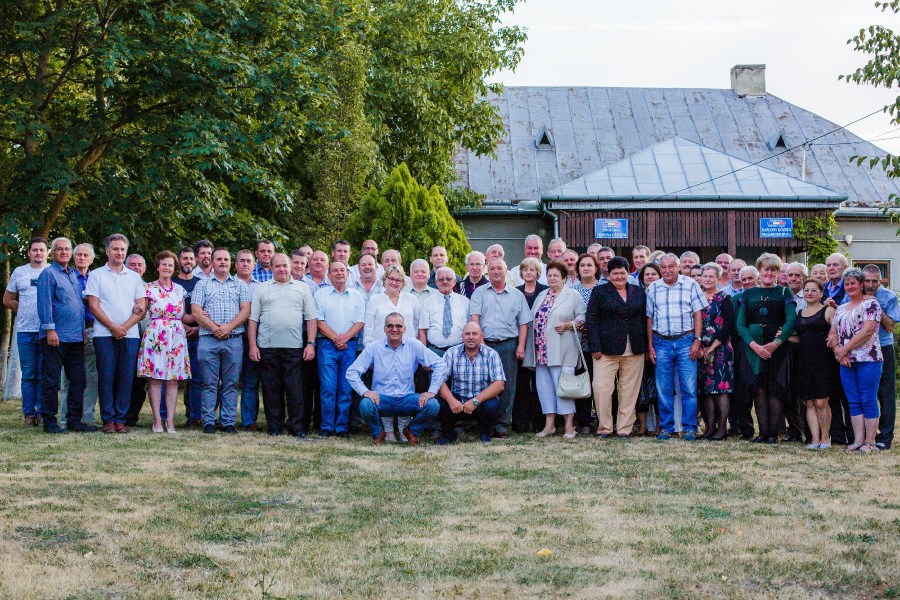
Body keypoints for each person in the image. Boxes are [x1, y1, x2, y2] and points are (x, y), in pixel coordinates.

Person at [347, 313, 447, 445]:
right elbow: (352, 372)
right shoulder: (374, 347)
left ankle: (411, 432)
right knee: (366, 404)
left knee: (432, 405)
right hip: (382, 399)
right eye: (390, 326)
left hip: (407, 399)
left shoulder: (414, 345)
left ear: (404, 329)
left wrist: (432, 391)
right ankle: (378, 434)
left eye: (398, 326)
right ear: (384, 329)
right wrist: (365, 391)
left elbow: (440, 364)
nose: (394, 329)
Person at [248, 253, 317, 437]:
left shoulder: (302, 288)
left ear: (290, 266)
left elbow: (311, 319)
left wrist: (310, 344)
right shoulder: (262, 288)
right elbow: (253, 320)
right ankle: (275, 426)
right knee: (271, 389)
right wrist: (253, 345)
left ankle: (296, 426)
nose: (282, 269)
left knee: (295, 389)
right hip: (267, 347)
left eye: (285, 265)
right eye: (277, 266)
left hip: (294, 347)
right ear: (271, 268)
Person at [86, 234, 147, 433]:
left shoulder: (134, 277)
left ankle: (121, 419)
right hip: (104, 334)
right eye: (115, 249)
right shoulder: (96, 275)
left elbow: (141, 307)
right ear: (107, 251)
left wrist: (124, 327)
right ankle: (108, 420)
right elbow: (94, 306)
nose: (119, 253)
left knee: (126, 377)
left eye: (122, 249)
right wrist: (113, 327)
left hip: (130, 335)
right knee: (106, 376)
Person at [735, 253, 796, 444]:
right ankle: (762, 433)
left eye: (773, 269)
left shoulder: (785, 292)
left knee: (775, 389)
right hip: (753, 349)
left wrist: (776, 343)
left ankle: (773, 434)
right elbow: (740, 324)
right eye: (765, 269)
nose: (769, 273)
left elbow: (791, 320)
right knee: (759, 390)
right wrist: (753, 345)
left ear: (778, 272)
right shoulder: (748, 294)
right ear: (759, 271)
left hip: (778, 348)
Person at [645, 253, 707, 441]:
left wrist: (697, 340)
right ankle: (666, 427)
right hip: (661, 342)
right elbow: (649, 318)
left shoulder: (690, 284)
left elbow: (698, 314)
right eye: (663, 267)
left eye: (671, 266)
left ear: (678, 267)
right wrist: (650, 345)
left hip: (685, 341)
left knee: (688, 387)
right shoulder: (653, 288)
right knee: (663, 388)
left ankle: (689, 428)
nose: (667, 270)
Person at [36, 238, 94, 433]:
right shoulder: (48, 274)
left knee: (79, 380)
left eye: (67, 249)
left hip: (76, 337)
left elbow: (78, 306)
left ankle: (74, 421)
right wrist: (49, 329)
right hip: (55, 337)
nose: (63, 252)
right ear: (52, 253)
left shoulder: (73, 275)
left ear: (71, 253)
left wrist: (82, 330)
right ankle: (50, 422)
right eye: (59, 249)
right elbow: (44, 303)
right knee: (51, 381)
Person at [524, 260, 587, 439]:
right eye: (549, 275)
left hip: (563, 349)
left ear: (564, 278)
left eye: (556, 275)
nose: (552, 278)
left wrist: (568, 325)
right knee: (544, 389)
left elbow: (583, 317)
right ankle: (549, 425)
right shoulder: (542, 294)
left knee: (564, 388)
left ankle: (569, 426)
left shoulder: (572, 295)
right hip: (541, 351)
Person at [470, 257, 532, 437]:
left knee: (507, 386)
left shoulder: (517, 295)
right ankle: (484, 424)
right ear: (487, 272)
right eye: (492, 269)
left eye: (499, 268)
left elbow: (523, 324)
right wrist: (480, 342)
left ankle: (502, 425)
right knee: (482, 384)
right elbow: (475, 318)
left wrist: (521, 346)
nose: (496, 272)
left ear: (506, 271)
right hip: (484, 345)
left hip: (508, 345)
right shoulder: (479, 293)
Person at [191, 248, 251, 434]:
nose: (223, 262)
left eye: (226, 259)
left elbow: (245, 310)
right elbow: (196, 312)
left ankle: (228, 422)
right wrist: (214, 328)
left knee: (231, 384)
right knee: (208, 383)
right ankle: (208, 421)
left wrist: (228, 328)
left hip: (233, 340)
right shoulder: (202, 284)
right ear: (212, 262)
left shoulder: (240, 285)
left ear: (230, 263)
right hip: (208, 340)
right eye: (219, 259)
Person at [587, 256, 646, 439]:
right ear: (609, 274)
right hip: (605, 349)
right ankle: (604, 427)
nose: (619, 276)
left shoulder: (638, 291)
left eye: (622, 273)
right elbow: (592, 319)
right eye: (615, 273)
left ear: (628, 273)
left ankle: (624, 428)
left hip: (634, 348)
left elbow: (644, 319)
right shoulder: (599, 292)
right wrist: (595, 346)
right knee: (601, 388)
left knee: (629, 390)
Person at [827, 267, 884, 452]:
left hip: (869, 359)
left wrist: (844, 349)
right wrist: (839, 352)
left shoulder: (871, 304)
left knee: (868, 399)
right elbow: (832, 334)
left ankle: (870, 442)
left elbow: (867, 331)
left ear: (861, 285)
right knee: (853, 400)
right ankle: (858, 440)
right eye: (847, 284)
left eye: (853, 283)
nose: (850, 286)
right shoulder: (841, 308)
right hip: (846, 361)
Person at [136, 250, 191, 433]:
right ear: (158, 267)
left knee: (173, 380)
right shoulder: (148, 288)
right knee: (156, 379)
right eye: (164, 264)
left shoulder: (180, 290)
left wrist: (201, 316)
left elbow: (183, 315)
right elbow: (142, 312)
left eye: (170, 265)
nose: (167, 267)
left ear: (174, 268)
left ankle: (170, 421)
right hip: (156, 335)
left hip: (176, 336)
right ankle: (157, 420)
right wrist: (135, 309)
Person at [364, 264, 421, 440]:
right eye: (391, 279)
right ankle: (388, 430)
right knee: (383, 389)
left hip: (406, 351)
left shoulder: (411, 299)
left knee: (405, 388)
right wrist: (369, 353)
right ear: (385, 280)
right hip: (382, 351)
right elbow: (368, 327)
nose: (394, 282)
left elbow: (417, 325)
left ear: (403, 282)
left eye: (398, 279)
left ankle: (404, 429)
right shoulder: (375, 300)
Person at [315, 261, 365, 437]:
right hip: (326, 345)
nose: (339, 273)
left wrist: (344, 338)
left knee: (346, 388)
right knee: (328, 388)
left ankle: (342, 427)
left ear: (348, 274)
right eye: (335, 270)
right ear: (329, 275)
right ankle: (327, 426)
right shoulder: (320, 295)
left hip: (349, 346)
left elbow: (360, 321)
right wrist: (336, 339)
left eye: (342, 270)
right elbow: (318, 321)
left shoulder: (357, 296)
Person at [4, 236, 49, 426]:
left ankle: (42, 412)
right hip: (25, 330)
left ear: (47, 253)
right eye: (35, 250)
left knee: (44, 374)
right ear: (29, 252)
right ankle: (29, 414)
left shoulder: (52, 271)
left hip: (47, 330)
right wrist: (23, 310)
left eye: (41, 250)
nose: (38, 253)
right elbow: (7, 300)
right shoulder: (19, 272)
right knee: (29, 374)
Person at [436, 322, 505, 444]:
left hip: (480, 402)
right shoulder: (451, 353)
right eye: (467, 334)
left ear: (481, 336)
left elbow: (499, 384)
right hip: (457, 402)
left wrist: (475, 401)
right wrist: (452, 401)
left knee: (492, 405)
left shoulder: (491, 354)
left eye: (474, 334)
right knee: (441, 402)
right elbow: (439, 379)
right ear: (462, 336)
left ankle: (485, 433)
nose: (471, 337)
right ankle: (448, 435)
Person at [859, 264, 900, 450]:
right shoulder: (854, 293)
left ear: (880, 281)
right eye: (867, 281)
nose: (870, 285)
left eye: (874, 281)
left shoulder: (888, 297)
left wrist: (875, 305)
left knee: (886, 393)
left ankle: (885, 436)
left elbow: (890, 326)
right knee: (865, 393)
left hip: (883, 347)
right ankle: (862, 435)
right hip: (860, 349)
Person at [791, 278, 835, 449]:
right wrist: (783, 337)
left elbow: (837, 333)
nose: (809, 293)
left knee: (821, 402)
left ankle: (825, 438)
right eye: (806, 290)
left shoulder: (828, 310)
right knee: (809, 403)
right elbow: (800, 339)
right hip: (803, 362)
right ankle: (815, 439)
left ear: (821, 293)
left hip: (824, 362)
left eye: (814, 290)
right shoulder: (800, 313)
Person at [61, 242, 99, 426]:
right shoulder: (67, 277)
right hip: (70, 332)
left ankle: (87, 417)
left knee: (91, 377)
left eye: (86, 255)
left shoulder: (97, 279)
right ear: (73, 257)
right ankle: (65, 417)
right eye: (79, 255)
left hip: (93, 330)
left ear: (92, 259)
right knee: (68, 378)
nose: (82, 258)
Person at [697, 263, 735, 440]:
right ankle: (710, 427)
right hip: (701, 349)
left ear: (718, 278)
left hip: (721, 349)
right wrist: (699, 345)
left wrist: (712, 347)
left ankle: (722, 428)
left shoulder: (725, 298)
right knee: (706, 389)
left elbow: (728, 325)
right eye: (704, 276)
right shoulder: (697, 297)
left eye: (711, 276)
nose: (707, 279)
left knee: (721, 388)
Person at [513, 257, 548, 433]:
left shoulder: (545, 291)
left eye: (532, 270)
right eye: (525, 270)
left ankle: (540, 423)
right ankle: (521, 423)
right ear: (521, 273)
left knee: (539, 384)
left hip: (540, 343)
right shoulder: (515, 292)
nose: (528, 272)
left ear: (538, 273)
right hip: (520, 343)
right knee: (521, 384)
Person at [823, 253, 851, 444]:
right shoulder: (824, 288)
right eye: (829, 265)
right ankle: (838, 434)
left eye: (835, 265)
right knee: (832, 392)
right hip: (827, 347)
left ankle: (853, 434)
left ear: (844, 268)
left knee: (847, 394)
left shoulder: (850, 287)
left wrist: (837, 306)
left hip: (847, 347)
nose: (831, 268)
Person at [572, 253, 601, 434]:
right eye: (582, 265)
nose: (586, 268)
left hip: (602, 346)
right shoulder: (572, 290)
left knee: (602, 385)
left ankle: (605, 420)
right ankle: (584, 423)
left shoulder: (604, 288)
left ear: (596, 268)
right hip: (579, 345)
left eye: (589, 265)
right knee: (583, 383)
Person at [174, 247, 203, 427]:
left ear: (196, 261)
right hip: (176, 335)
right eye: (185, 258)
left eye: (191, 259)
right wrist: (181, 325)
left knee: (197, 378)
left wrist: (199, 328)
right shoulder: (172, 283)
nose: (188, 262)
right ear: (179, 260)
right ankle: (164, 416)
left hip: (198, 336)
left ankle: (195, 417)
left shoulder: (201, 283)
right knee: (170, 378)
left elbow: (207, 310)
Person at [235, 249, 261, 430]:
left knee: (251, 382)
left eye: (248, 261)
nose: (245, 264)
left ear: (254, 265)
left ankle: (249, 420)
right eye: (242, 261)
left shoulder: (261, 288)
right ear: (236, 264)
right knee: (227, 382)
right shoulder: (227, 284)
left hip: (253, 340)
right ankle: (225, 418)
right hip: (230, 337)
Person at [635, 263, 662, 435]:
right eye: (647, 274)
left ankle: (660, 425)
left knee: (659, 387)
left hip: (660, 345)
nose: (650, 277)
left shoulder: (664, 294)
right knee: (640, 387)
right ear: (642, 278)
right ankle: (642, 425)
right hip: (639, 345)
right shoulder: (637, 295)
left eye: (654, 274)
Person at [419, 267, 470, 355]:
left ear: (454, 281)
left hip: (460, 352)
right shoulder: (428, 302)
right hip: (435, 352)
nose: (445, 282)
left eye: (449, 279)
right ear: (436, 282)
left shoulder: (465, 302)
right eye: (441, 279)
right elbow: (422, 331)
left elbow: (471, 328)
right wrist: (423, 355)